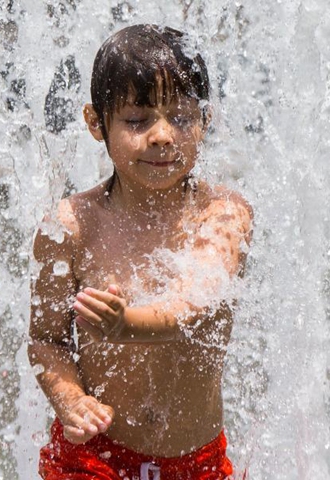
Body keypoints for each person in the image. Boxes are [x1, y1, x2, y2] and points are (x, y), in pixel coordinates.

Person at [28, 24, 252, 480]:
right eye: (137, 120)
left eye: (182, 117)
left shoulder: (223, 215)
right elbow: (46, 339)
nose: (163, 135)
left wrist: (125, 325)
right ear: (96, 123)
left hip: (197, 463)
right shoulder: (70, 227)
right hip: (95, 457)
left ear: (206, 120)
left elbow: (194, 303)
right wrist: (71, 400)